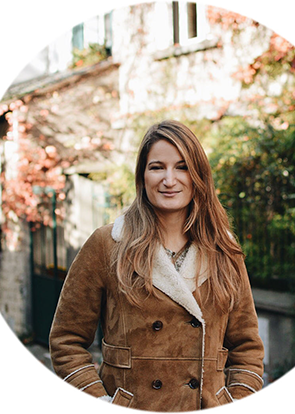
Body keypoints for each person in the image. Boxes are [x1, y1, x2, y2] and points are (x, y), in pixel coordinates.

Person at [49, 120, 264, 411]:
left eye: (182, 166)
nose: (169, 179)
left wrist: (233, 402)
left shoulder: (223, 250)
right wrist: (102, 402)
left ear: (198, 174)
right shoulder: (108, 244)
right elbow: (66, 341)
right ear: (143, 176)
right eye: (157, 167)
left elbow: (247, 350)